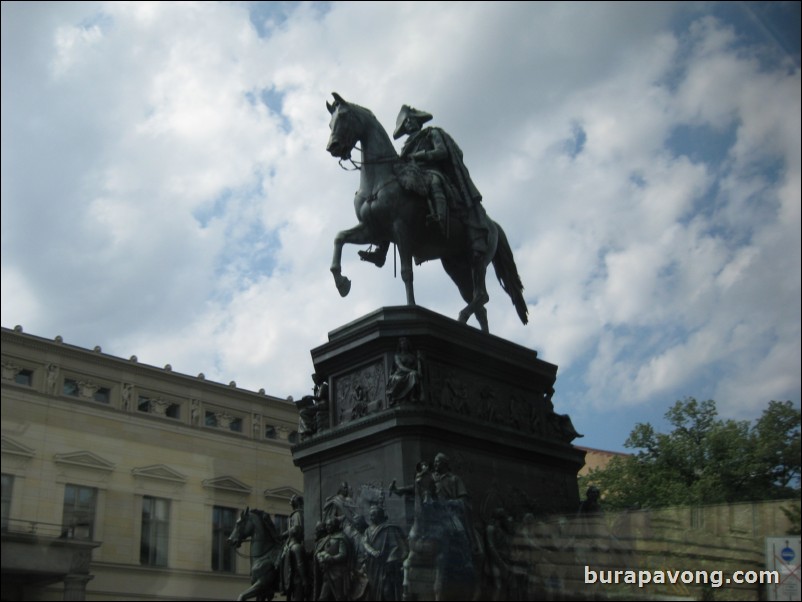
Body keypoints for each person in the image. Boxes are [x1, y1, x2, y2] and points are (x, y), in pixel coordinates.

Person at [358, 104, 490, 267]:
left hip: (432, 171)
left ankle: (439, 217)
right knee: (390, 203)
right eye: (406, 123)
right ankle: (381, 250)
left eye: (411, 121)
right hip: (412, 175)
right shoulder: (406, 146)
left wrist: (422, 155)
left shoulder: (431, 133)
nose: (409, 124)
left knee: (434, 181)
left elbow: (442, 152)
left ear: (418, 121)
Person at [362, 505, 408, 601]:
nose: (371, 518)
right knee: (373, 591)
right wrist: (372, 552)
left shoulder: (390, 529)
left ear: (380, 516)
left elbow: (397, 547)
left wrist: (391, 562)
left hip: (386, 567)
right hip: (372, 566)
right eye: (370, 515)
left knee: (387, 590)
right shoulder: (368, 531)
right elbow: (365, 543)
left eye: (373, 515)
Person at [385, 337, 421, 404]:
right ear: (400, 345)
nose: (404, 345)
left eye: (405, 344)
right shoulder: (397, 356)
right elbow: (400, 367)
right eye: (402, 344)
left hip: (410, 373)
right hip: (399, 373)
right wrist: (411, 371)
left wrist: (419, 361)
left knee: (413, 375)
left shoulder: (412, 356)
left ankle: (412, 396)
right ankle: (395, 397)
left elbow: (417, 368)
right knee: (404, 377)